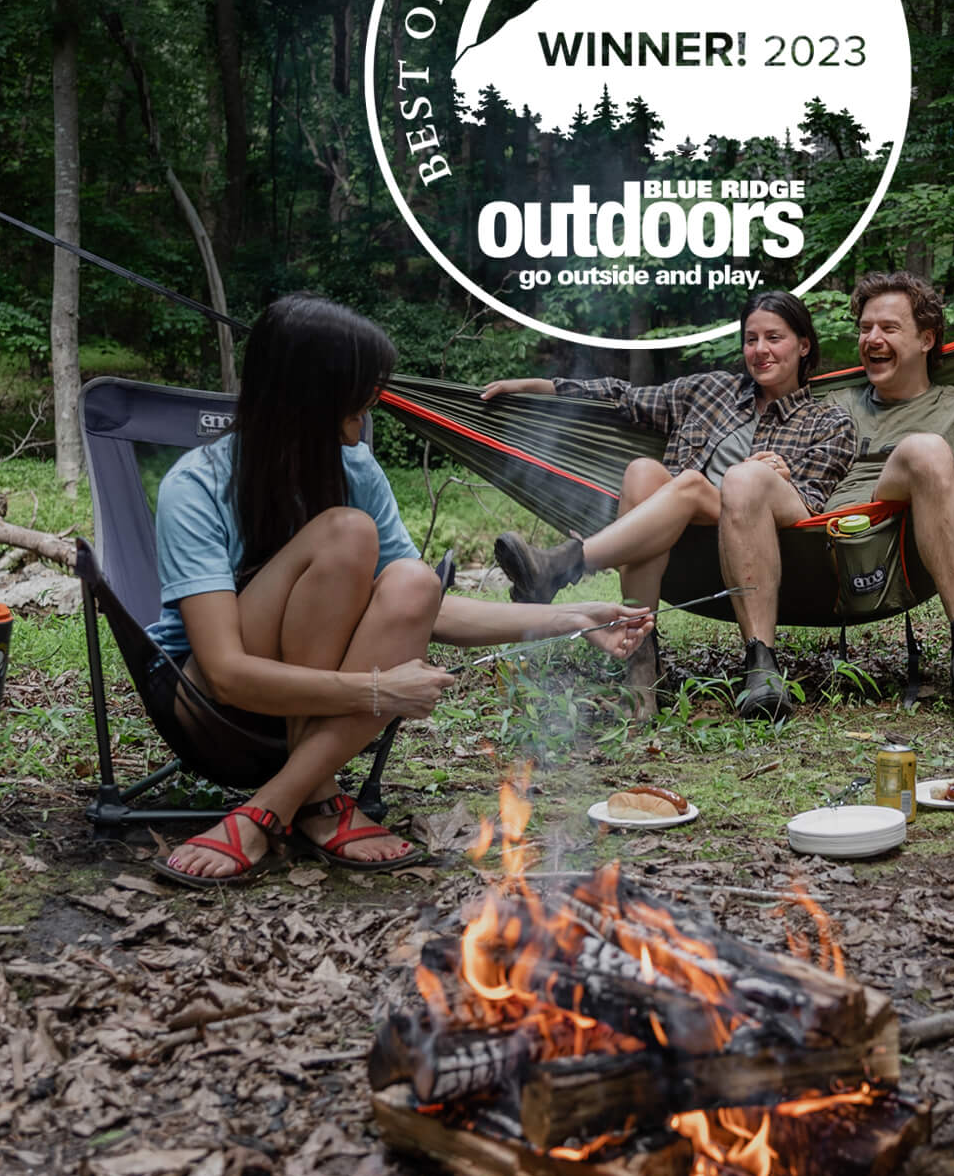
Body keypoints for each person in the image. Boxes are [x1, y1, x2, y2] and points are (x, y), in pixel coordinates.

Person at [146, 295, 651, 889]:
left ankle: (275, 806)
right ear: (310, 401)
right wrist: (379, 689)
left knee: (413, 578)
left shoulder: (353, 469)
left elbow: (430, 610)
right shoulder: (198, 485)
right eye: (358, 404)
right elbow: (226, 673)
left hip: (308, 705)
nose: (367, 417)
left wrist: (574, 617)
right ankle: (310, 801)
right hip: (215, 710)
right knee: (347, 533)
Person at [481, 290, 855, 718]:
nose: (760, 350)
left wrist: (774, 476)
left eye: (775, 337)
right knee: (643, 471)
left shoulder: (828, 420)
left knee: (700, 483)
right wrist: (536, 387)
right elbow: (623, 397)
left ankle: (565, 563)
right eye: (751, 339)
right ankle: (641, 683)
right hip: (679, 539)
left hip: (765, 542)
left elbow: (812, 506)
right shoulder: (710, 391)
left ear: (804, 345)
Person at [717, 270, 954, 717]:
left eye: (889, 328)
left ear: (927, 340)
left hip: (900, 539)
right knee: (742, 477)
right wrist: (776, 465)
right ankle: (761, 664)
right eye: (865, 329)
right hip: (813, 537)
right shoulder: (832, 402)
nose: (871, 339)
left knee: (926, 448)